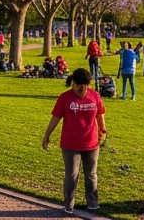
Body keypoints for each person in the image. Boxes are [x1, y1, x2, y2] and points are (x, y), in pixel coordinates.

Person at [43, 67, 107, 214]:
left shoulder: (95, 96)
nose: (81, 89)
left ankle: (93, 203)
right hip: (70, 144)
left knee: (91, 174)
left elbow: (100, 114)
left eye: (85, 86)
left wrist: (103, 129)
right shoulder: (65, 97)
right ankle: (69, 204)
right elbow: (56, 118)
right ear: (73, 83)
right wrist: (47, 135)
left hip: (91, 143)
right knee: (72, 174)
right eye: (78, 86)